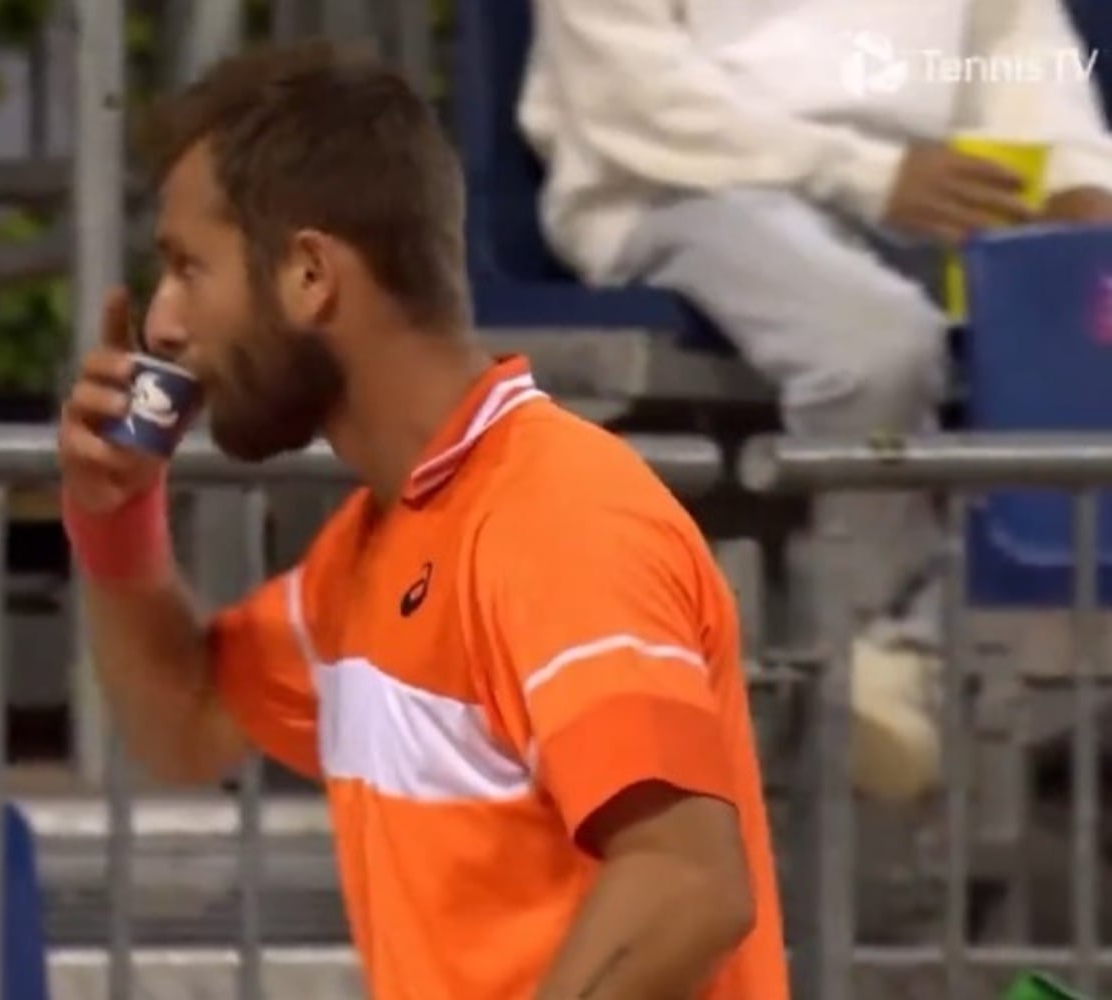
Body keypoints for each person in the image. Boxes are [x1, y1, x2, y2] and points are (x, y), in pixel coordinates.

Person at [57, 41, 787, 999]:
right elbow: (184, 723)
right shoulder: (375, 543)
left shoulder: (556, 518)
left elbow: (686, 884)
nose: (161, 326)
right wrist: (114, 518)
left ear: (310, 274)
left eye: (191, 268)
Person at [516, 0, 1112, 804]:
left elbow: (1014, 46)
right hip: (683, 187)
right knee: (871, 346)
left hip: (930, 198)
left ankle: (913, 663)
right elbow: (635, 101)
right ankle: (873, 650)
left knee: (1077, 322)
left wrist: (1075, 176)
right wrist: (866, 176)